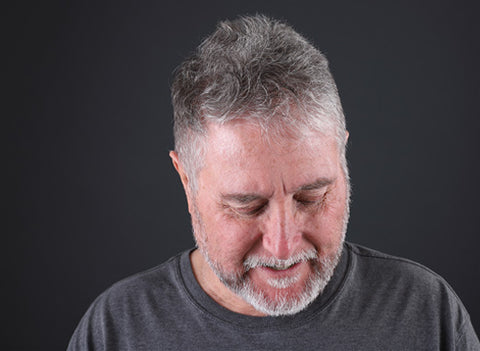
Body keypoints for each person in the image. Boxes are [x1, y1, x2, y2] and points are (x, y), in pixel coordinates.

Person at [67, 15, 479, 350]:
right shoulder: (116, 331)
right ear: (186, 182)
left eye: (312, 196)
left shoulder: (425, 314)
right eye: (247, 206)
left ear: (343, 160)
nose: (283, 248)